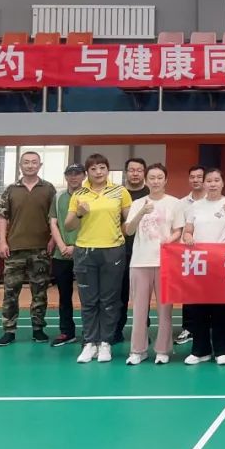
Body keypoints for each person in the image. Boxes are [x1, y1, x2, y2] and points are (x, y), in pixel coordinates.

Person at [65, 154, 133, 364]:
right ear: (87, 172)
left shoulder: (120, 192)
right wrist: (79, 213)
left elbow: (129, 223)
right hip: (85, 251)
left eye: (102, 167)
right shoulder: (79, 194)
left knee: (109, 300)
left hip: (113, 250)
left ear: (108, 169)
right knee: (89, 300)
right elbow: (68, 226)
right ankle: (89, 343)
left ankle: (105, 343)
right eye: (93, 169)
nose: (98, 172)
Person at [123, 163, 184, 365]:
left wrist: (169, 240)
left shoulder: (175, 203)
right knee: (139, 310)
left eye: (159, 178)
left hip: (165, 262)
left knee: (165, 310)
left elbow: (179, 230)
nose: (156, 181)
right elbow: (129, 230)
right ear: (146, 180)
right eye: (152, 178)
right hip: (140, 261)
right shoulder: (138, 203)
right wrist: (142, 212)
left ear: (166, 180)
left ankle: (163, 350)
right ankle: (137, 350)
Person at [0, 151, 56, 347]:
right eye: (26, 162)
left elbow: (55, 218)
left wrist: (53, 240)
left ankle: (38, 329)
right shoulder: (11, 189)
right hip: (15, 250)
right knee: (10, 293)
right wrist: (2, 242)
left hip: (41, 250)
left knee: (40, 293)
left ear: (40, 165)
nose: (30, 165)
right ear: (20, 166)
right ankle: (9, 330)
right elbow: (2, 217)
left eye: (34, 162)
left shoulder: (49, 189)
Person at [181, 168, 225, 365]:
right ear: (204, 183)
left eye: (217, 180)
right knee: (198, 308)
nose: (213, 184)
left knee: (221, 308)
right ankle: (200, 351)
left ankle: (222, 350)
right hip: (199, 263)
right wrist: (188, 236)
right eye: (209, 181)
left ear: (223, 183)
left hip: (222, 263)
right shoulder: (195, 206)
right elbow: (188, 230)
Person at [112, 157, 149, 345]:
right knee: (120, 293)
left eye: (139, 170)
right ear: (126, 172)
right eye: (131, 170)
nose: (135, 173)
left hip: (145, 251)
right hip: (120, 250)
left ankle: (143, 332)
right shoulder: (116, 194)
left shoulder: (151, 194)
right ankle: (116, 330)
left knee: (143, 295)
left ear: (144, 173)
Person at [48, 163, 86, 347]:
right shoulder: (58, 197)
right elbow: (53, 223)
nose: (74, 177)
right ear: (66, 176)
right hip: (61, 254)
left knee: (88, 296)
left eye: (77, 173)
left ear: (84, 176)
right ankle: (67, 332)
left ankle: (90, 332)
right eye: (70, 174)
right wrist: (62, 245)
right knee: (64, 296)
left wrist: (76, 247)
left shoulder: (90, 196)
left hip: (85, 252)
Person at [175, 164, 207, 347]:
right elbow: (179, 229)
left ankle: (208, 326)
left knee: (209, 293)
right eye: (192, 177)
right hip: (189, 255)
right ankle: (188, 328)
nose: (196, 180)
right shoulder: (181, 204)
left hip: (211, 256)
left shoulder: (217, 201)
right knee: (189, 293)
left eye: (199, 177)